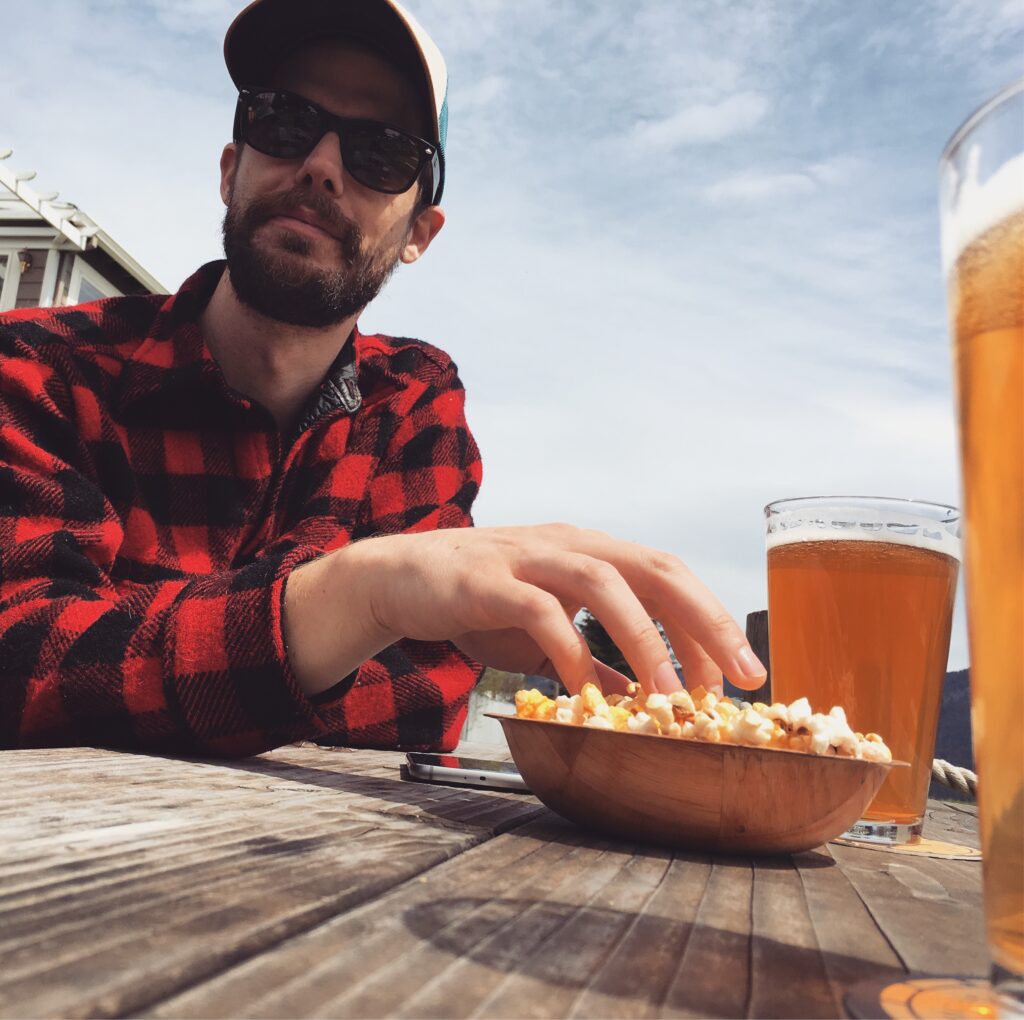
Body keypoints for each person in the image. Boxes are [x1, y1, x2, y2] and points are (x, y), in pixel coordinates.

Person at [0, 0, 766, 757]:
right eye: (284, 121)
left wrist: (153, 657)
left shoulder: (412, 401)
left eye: (382, 153)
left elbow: (418, 703)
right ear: (232, 168)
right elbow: (17, 659)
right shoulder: (38, 369)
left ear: (418, 235)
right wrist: (358, 597)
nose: (322, 166)